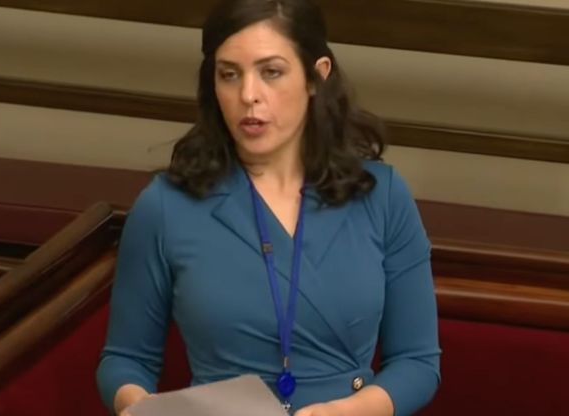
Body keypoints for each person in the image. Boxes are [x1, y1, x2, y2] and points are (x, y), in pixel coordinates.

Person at [96, 0, 441, 414]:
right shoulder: (165, 206)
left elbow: (418, 362)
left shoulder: (381, 196)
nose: (248, 96)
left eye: (271, 72)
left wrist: (346, 412)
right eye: (229, 75)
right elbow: (125, 360)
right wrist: (144, 408)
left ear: (317, 76)